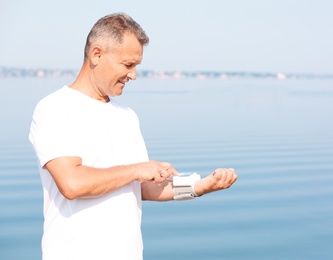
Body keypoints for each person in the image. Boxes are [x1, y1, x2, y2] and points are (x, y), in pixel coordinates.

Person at [29, 13, 237, 260]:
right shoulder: (55, 108)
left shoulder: (127, 116)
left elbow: (144, 187)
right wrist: (138, 169)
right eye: (128, 65)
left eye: (136, 66)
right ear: (97, 55)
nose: (134, 75)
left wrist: (200, 186)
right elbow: (72, 184)